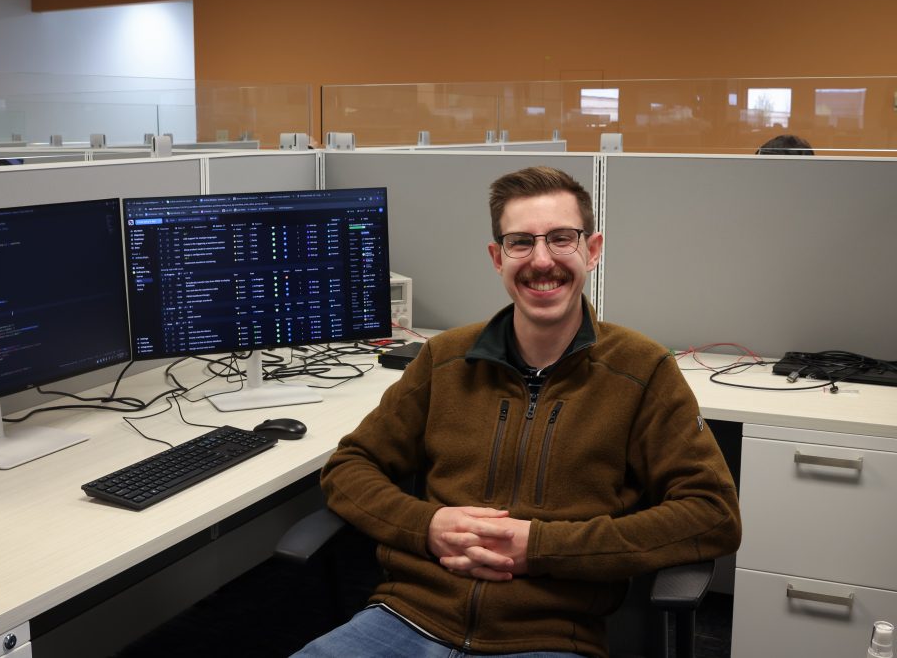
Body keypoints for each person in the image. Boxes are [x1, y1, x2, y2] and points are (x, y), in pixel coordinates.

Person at [293, 166, 742, 658]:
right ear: (497, 257)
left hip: (549, 635)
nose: (541, 260)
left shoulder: (642, 371)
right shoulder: (445, 358)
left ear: (591, 250)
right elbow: (349, 468)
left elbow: (711, 515)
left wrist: (541, 547)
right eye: (521, 242)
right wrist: (428, 527)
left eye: (561, 239)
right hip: (406, 618)